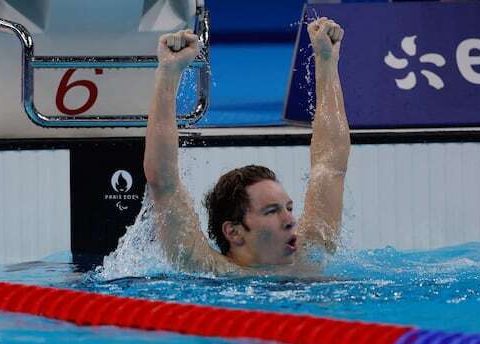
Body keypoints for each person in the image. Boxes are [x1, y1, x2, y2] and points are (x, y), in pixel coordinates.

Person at [144, 17, 349, 274]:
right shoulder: (208, 269)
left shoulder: (309, 255)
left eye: (288, 208)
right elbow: (163, 181)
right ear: (234, 232)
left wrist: (327, 61)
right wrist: (168, 74)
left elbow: (330, 165)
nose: (290, 221)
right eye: (271, 211)